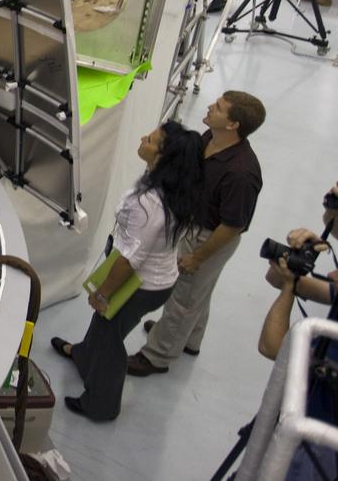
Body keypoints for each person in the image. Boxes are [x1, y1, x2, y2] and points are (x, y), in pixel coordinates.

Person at [49, 121, 204, 421]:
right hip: (152, 276)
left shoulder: (151, 204)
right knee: (106, 324)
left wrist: (104, 293)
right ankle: (83, 357)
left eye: (151, 139)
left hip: (139, 283)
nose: (143, 137)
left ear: (163, 157)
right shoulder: (169, 186)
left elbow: (130, 259)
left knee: (110, 336)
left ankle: (101, 404)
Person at [128, 90, 267, 376]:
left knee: (185, 295)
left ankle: (158, 355)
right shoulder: (209, 139)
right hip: (195, 224)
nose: (210, 107)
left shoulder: (242, 174)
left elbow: (232, 226)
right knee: (199, 291)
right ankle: (189, 337)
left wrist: (198, 256)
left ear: (233, 125)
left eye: (218, 107)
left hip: (211, 237)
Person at [255, 182, 338, 479]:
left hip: (318, 449)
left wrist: (289, 283)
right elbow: (277, 278)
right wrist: (293, 266)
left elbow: (272, 347)